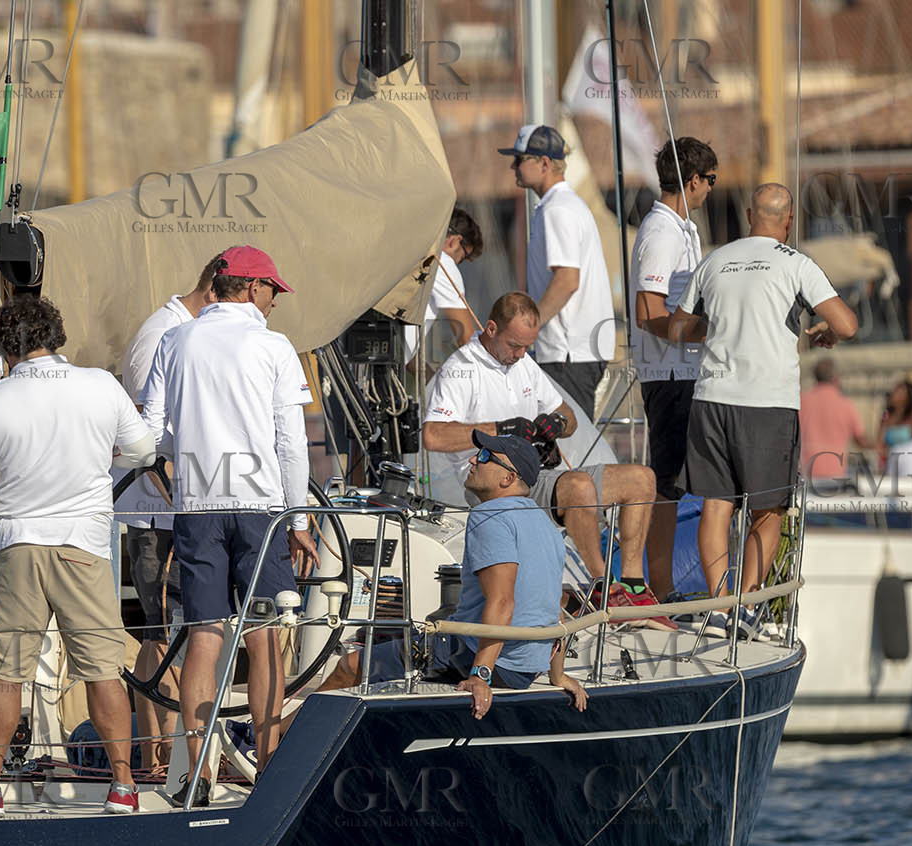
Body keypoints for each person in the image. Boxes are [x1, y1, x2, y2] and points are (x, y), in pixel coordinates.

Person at [0, 296, 156, 818]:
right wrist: (101, 457)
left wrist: (9, 495)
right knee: (102, 671)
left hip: (17, 544)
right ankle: (122, 787)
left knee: (7, 674)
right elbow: (143, 451)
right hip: (83, 547)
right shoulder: (100, 386)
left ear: (1, 345)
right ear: (57, 335)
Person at [139, 245, 320, 806]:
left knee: (204, 637)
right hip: (260, 512)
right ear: (249, 288)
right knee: (266, 638)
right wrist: (302, 518)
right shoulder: (272, 346)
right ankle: (267, 773)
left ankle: (196, 774)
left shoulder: (176, 339)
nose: (274, 304)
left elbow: (151, 435)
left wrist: (189, 447)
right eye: (271, 292)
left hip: (196, 509)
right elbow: (292, 443)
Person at [668, 183, 858, 638]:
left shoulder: (714, 259)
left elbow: (676, 327)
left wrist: (718, 331)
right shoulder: (796, 263)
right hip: (766, 405)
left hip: (711, 399)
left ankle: (717, 607)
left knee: (716, 506)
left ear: (750, 213)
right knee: (767, 510)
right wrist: (828, 335)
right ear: (787, 221)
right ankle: (747, 605)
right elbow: (847, 324)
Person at [423, 292, 675, 627]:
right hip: (488, 482)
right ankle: (603, 587)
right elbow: (433, 435)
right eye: (515, 345)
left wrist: (556, 424)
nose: (521, 354)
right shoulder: (460, 369)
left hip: (534, 474)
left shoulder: (523, 363)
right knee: (579, 486)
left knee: (642, 478)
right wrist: (498, 429)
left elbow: (567, 416)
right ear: (492, 328)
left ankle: (631, 583)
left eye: (527, 346)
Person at [320, 433, 586, 714]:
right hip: (526, 668)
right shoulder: (545, 525)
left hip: (481, 659)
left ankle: (281, 748)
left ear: (507, 478)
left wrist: (480, 676)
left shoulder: (490, 515)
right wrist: (557, 676)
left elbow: (503, 601)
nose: (473, 459)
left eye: (484, 457)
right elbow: (553, 608)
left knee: (350, 666)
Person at [119, 252, 226, 770]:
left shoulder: (186, 332)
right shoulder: (160, 334)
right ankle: (156, 751)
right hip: (156, 513)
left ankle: (172, 749)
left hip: (182, 508)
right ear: (212, 292)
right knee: (159, 633)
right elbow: (146, 437)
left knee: (183, 630)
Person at [631, 136, 717, 600]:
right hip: (669, 376)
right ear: (693, 180)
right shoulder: (662, 232)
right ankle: (658, 587)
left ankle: (666, 585)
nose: (712, 190)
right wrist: (709, 332)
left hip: (687, 374)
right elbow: (648, 312)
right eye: (711, 180)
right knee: (665, 486)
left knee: (682, 483)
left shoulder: (682, 228)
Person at [502, 124, 612, 421]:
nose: (513, 166)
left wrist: (527, 327)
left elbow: (566, 280)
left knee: (568, 449)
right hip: (573, 351)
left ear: (545, 163)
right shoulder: (562, 205)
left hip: (567, 354)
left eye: (520, 159)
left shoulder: (558, 209)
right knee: (564, 449)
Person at [414, 205, 483, 360]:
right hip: (387, 364)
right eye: (463, 257)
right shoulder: (443, 262)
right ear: (455, 241)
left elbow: (406, 349)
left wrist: (435, 380)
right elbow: (465, 338)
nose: (458, 262)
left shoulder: (415, 252)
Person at [800, 356, 870, 484]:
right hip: (836, 472)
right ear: (836, 378)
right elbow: (861, 440)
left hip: (807, 471)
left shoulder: (802, 401)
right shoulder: (845, 404)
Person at [878, 376, 912, 467]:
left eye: (899, 392)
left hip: (909, 463)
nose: (894, 394)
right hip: (888, 463)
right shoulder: (886, 416)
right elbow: (879, 444)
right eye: (895, 391)